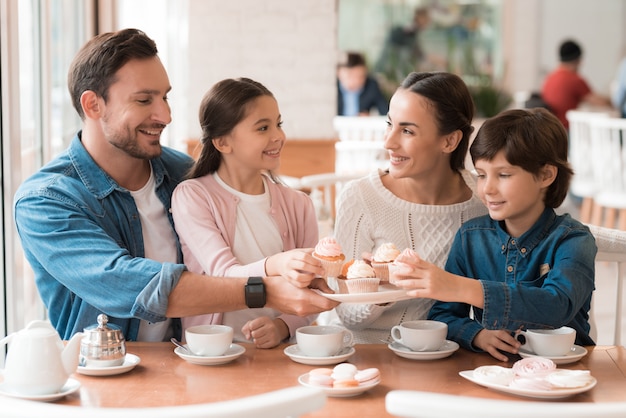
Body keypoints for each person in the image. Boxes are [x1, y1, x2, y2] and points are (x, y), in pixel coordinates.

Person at [13, 28, 337, 342]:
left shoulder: (184, 175)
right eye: (144, 100)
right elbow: (130, 284)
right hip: (105, 380)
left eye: (165, 97)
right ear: (93, 105)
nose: (165, 115)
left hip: (191, 363)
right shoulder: (46, 201)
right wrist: (262, 288)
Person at [391, 108, 597, 362]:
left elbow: (556, 306)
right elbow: (443, 316)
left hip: (566, 378)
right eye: (481, 175)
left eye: (504, 175)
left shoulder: (574, 240)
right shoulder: (471, 237)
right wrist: (476, 334)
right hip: (494, 377)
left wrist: (461, 287)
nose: (487, 188)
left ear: (546, 175)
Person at [332, 71, 488, 344]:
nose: (389, 142)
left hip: (443, 355)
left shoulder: (485, 203)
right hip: (366, 353)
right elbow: (346, 313)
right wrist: (381, 290)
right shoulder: (360, 197)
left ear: (449, 141)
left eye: (407, 130)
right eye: (389, 124)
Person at [171, 78, 322, 348]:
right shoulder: (193, 196)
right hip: (210, 353)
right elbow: (223, 275)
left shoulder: (299, 204)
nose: (278, 136)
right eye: (263, 127)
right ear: (222, 142)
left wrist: (282, 326)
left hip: (282, 353)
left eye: (279, 124)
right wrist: (277, 264)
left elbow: (314, 291)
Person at [541, 39, 611, 129]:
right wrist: (613, 99)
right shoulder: (574, 79)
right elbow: (600, 103)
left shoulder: (549, 78)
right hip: (566, 130)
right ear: (577, 60)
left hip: (552, 129)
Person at [374, 7, 431, 85]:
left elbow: (417, 51)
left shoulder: (413, 31)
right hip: (389, 67)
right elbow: (414, 50)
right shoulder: (410, 28)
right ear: (420, 17)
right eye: (427, 19)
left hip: (392, 68)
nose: (428, 22)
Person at [337, 52, 389, 116]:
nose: (355, 81)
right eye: (349, 76)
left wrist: (371, 117)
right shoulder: (330, 88)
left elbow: (386, 111)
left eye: (360, 76)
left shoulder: (371, 86)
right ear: (338, 73)